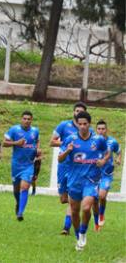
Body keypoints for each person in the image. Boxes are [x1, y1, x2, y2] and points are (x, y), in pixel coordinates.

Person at [58, 111, 109, 251]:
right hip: (74, 181)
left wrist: (103, 161)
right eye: (79, 124)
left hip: (91, 180)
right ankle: (78, 237)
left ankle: (83, 232)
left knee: (86, 208)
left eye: (85, 124)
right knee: (74, 212)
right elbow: (60, 159)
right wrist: (68, 151)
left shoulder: (98, 139)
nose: (82, 126)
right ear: (76, 124)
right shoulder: (70, 139)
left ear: (89, 124)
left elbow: (107, 152)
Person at [50, 102, 87, 235]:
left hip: (77, 168)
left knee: (72, 198)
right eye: (76, 111)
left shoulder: (88, 131)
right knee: (63, 199)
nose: (78, 113)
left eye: (81, 111)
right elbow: (51, 141)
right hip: (63, 165)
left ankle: (66, 227)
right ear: (73, 112)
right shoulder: (64, 125)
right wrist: (67, 143)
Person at [3, 111, 40, 221]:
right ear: (21, 119)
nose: (27, 121)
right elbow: (4, 143)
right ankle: (18, 203)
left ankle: (20, 213)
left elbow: (37, 142)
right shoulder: (14, 130)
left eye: (29, 119)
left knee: (24, 187)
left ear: (31, 120)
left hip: (28, 165)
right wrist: (16, 143)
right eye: (24, 118)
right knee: (16, 189)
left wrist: (38, 150)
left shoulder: (35, 131)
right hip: (16, 165)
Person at [92, 120, 121, 231]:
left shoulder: (112, 142)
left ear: (106, 129)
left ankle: (101, 214)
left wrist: (118, 158)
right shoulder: (92, 141)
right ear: (96, 130)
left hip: (106, 174)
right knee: (94, 199)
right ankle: (96, 224)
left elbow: (119, 151)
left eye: (103, 129)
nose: (101, 131)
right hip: (94, 174)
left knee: (102, 196)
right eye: (99, 129)